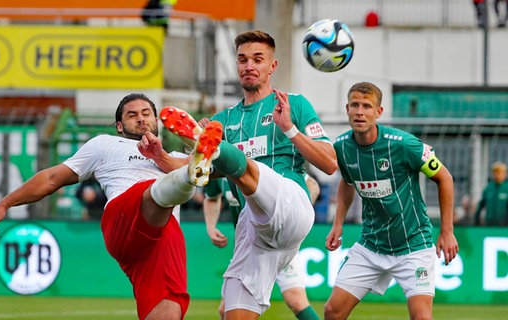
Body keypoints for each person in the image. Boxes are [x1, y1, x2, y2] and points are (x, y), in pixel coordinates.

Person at [0, 93, 223, 320]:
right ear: (119, 125)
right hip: (123, 219)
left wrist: (161, 156)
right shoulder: (104, 145)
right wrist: (5, 204)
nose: (140, 118)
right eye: (132, 115)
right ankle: (192, 169)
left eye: (146, 113)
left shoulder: (169, 155)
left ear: (156, 119)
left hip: (162, 237)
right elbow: (52, 178)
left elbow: (216, 175)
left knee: (170, 308)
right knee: (162, 187)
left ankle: (195, 167)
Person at [160, 29, 337, 320]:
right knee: (234, 310)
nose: (249, 66)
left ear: (273, 66)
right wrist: (159, 155)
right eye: (242, 59)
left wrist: (290, 129)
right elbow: (183, 170)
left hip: (290, 205)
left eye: (258, 59)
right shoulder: (224, 120)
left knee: (245, 165)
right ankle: (209, 149)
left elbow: (330, 163)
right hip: (252, 230)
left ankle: (213, 149)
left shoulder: (294, 105)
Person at [323, 82, 459, 320]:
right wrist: (338, 223)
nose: (360, 111)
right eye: (355, 105)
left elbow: (445, 178)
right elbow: (347, 181)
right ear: (347, 108)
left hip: (413, 245)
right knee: (333, 312)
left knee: (422, 317)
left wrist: (447, 231)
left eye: (367, 106)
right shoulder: (341, 147)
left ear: (379, 112)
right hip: (371, 245)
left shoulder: (404, 144)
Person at [203, 176, 321, 320]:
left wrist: (295, 220)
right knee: (225, 310)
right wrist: (210, 227)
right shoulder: (222, 169)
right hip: (246, 248)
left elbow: (312, 184)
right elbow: (212, 198)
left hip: (277, 243)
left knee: (296, 300)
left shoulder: (262, 162)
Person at [473, 161, 508, 226]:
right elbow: (481, 205)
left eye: (500, 172)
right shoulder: (488, 188)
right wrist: (476, 221)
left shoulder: (506, 188)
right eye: (495, 172)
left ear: (505, 174)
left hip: (504, 224)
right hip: (489, 223)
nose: (498, 175)